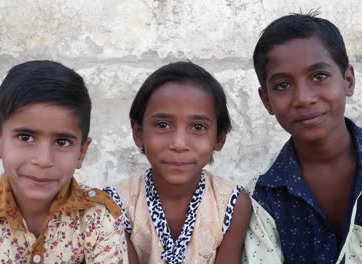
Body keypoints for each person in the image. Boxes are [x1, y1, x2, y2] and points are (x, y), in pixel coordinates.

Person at [243, 12, 362, 263]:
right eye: (282, 85)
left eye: (319, 76)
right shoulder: (262, 196)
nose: (303, 98)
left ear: (348, 80)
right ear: (266, 100)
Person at [0, 60, 129, 263]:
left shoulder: (99, 217)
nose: (43, 160)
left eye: (62, 141)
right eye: (25, 137)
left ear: (81, 152)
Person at [104, 61, 252, 263]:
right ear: (139, 133)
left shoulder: (232, 205)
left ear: (219, 138)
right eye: (163, 125)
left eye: (198, 127)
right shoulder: (113, 205)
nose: (179, 144)